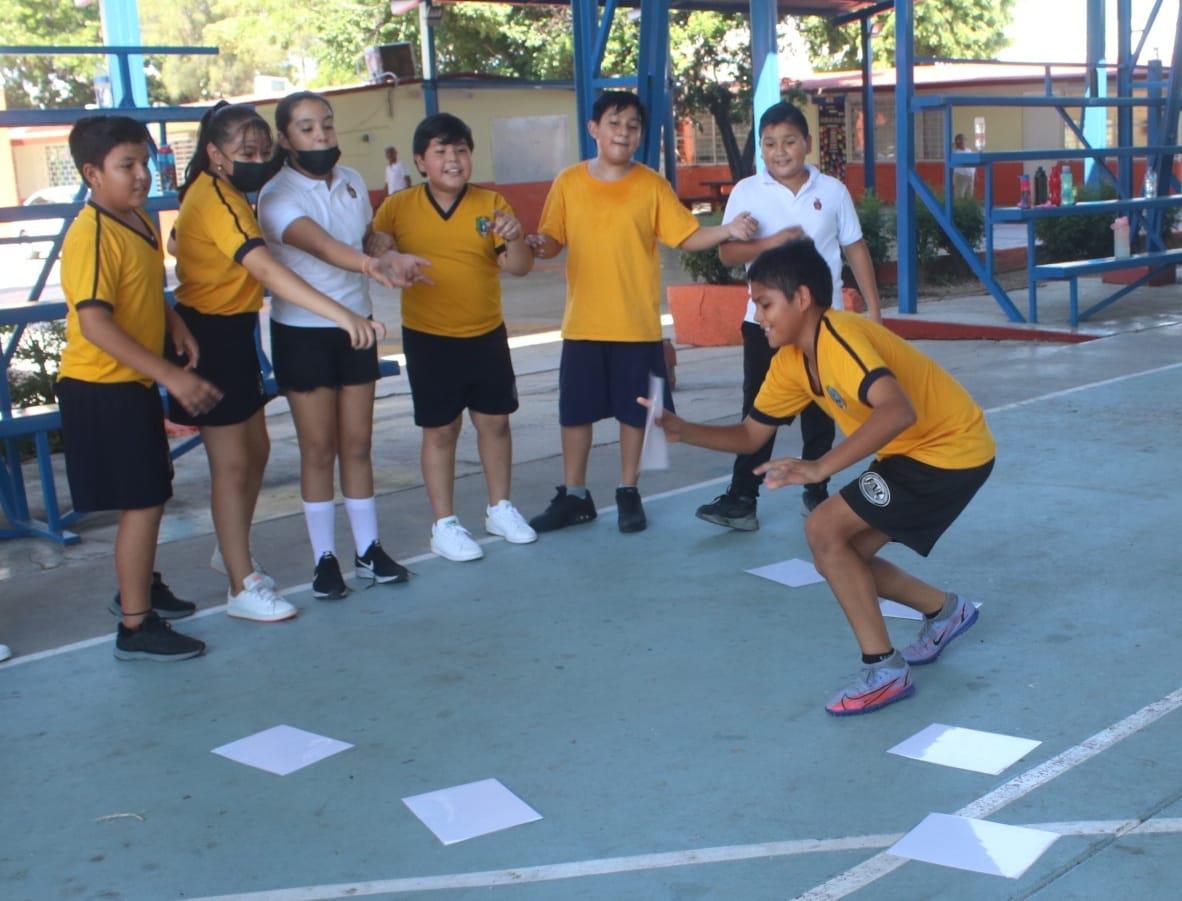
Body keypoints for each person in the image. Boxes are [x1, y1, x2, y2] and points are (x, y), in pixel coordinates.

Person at [644, 238, 995, 716]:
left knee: (823, 529)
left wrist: (820, 467)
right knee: (839, 555)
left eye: (765, 303)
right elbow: (751, 436)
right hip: (915, 453)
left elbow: (897, 410)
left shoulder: (839, 336)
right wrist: (683, 430)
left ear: (802, 298)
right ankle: (944, 610)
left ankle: (884, 668)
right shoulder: (790, 362)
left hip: (948, 449)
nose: (758, 315)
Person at [172, 102, 398, 611]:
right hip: (214, 335)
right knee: (233, 465)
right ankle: (239, 584)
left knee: (254, 454)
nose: (256, 159)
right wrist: (344, 317)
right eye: (244, 152)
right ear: (214, 154)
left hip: (233, 332)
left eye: (259, 151)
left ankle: (235, 554)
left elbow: (179, 244)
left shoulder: (228, 193)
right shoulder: (227, 199)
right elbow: (271, 271)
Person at [525, 90, 757, 534]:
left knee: (637, 415)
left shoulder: (651, 185)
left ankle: (628, 490)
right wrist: (538, 244)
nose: (623, 132)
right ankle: (574, 495)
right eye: (614, 123)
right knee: (574, 414)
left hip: (636, 326)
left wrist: (727, 228)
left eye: (632, 126)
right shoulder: (569, 182)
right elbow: (551, 239)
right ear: (594, 129)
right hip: (583, 325)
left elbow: (685, 236)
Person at [58, 115, 217, 660]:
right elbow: (96, 324)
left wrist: (176, 327)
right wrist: (168, 373)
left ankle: (141, 585)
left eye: (144, 164)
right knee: (143, 502)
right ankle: (134, 626)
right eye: (126, 166)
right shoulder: (92, 234)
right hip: (100, 387)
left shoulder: (139, 221)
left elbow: (150, 287)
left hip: (131, 384)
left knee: (152, 489)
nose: (141, 176)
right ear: (92, 174)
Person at [258, 92, 428, 591]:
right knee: (318, 448)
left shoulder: (352, 180)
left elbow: (366, 237)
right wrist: (369, 263)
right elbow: (323, 246)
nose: (321, 137)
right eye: (307, 129)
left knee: (357, 444)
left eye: (327, 126)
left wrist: (384, 247)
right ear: (286, 139)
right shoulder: (276, 195)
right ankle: (324, 560)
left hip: (360, 326)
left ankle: (368, 552)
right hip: (303, 333)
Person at [696, 101, 882, 533]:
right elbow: (726, 253)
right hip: (764, 323)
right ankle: (743, 497)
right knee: (758, 408)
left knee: (824, 406)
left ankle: (817, 486)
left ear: (808, 145)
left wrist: (873, 309)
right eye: (770, 144)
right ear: (761, 148)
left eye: (789, 142)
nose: (780, 152)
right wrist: (773, 241)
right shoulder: (747, 191)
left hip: (824, 324)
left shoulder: (832, 191)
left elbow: (855, 247)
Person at [370, 112, 536, 562]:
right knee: (440, 430)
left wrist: (517, 238)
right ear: (421, 161)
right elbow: (374, 244)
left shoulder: (492, 204)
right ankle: (444, 525)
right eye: (441, 152)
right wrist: (389, 251)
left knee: (495, 423)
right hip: (429, 338)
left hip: (485, 333)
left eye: (461, 151)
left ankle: (499, 508)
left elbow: (518, 267)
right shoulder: (399, 206)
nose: (453, 160)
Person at [953, 133, 975, 200]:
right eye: (961, 139)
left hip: (970, 176)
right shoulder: (955, 152)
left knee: (970, 195)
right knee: (959, 196)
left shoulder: (969, 150)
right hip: (960, 176)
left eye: (964, 139)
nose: (963, 141)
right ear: (957, 141)